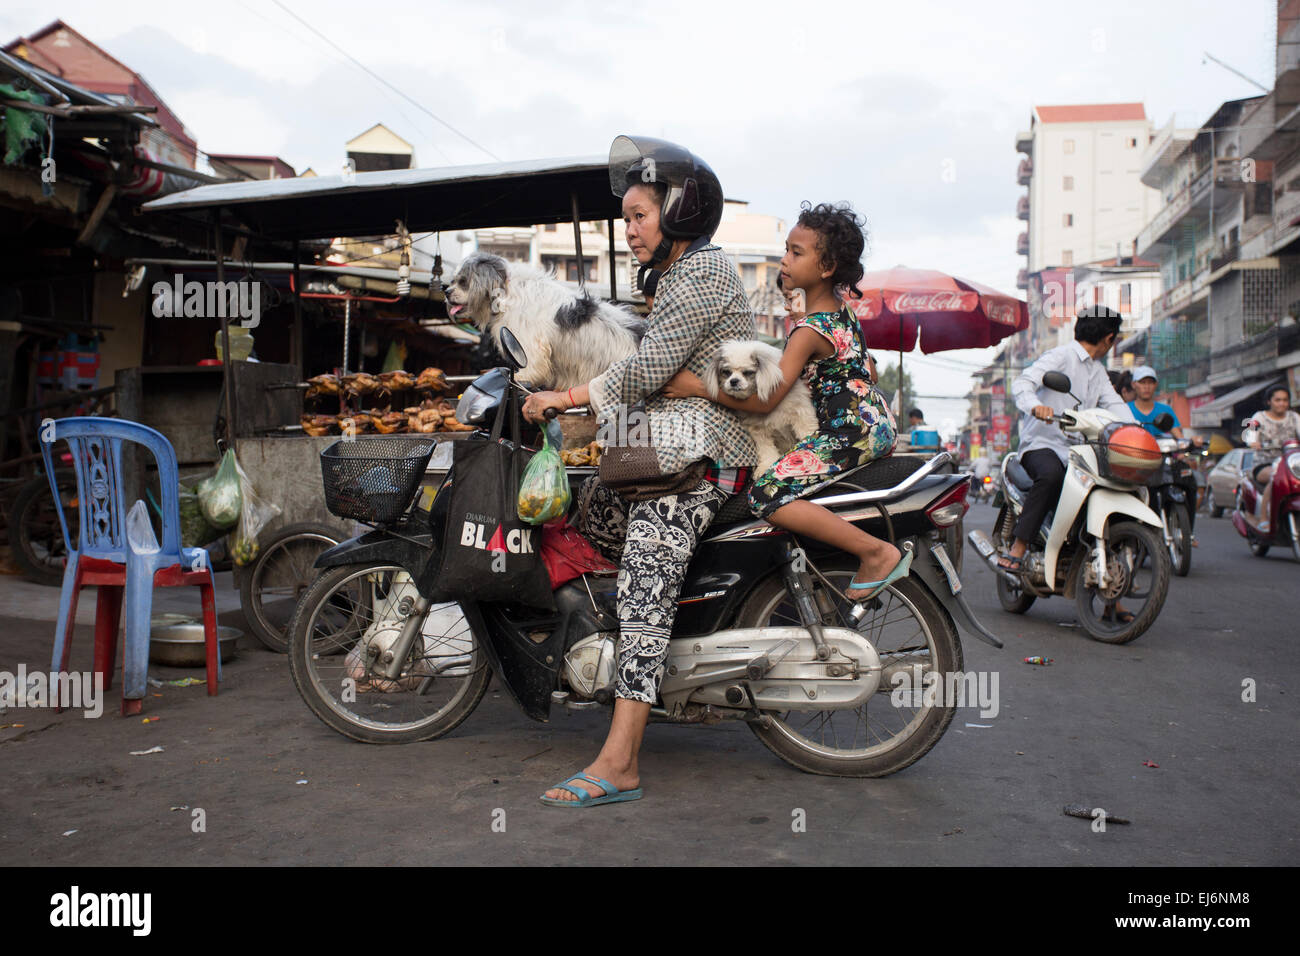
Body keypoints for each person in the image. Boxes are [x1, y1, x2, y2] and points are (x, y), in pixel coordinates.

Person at [521, 135, 757, 807]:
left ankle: (620, 760)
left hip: (702, 459)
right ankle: (659, 665)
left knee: (643, 590)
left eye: (638, 216)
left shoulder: (703, 272)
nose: (629, 232)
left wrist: (564, 398)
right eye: (625, 218)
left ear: (680, 211)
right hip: (672, 447)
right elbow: (647, 379)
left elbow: (648, 372)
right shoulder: (680, 277)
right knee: (590, 509)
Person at [663, 201, 904, 600]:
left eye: (796, 252)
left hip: (850, 433)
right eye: (786, 249)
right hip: (873, 423)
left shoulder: (809, 329)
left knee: (766, 494)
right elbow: (867, 373)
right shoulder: (844, 316)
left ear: (826, 268)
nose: (784, 259)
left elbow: (764, 402)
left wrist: (695, 386)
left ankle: (875, 552)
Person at [997, 306, 1135, 590]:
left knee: (1106, 487)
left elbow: (1116, 405)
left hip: (1080, 452)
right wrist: (1035, 406)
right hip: (1043, 444)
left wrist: (1135, 431)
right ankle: (1019, 547)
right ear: (1109, 339)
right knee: (1051, 476)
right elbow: (1023, 383)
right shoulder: (1061, 356)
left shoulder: (1098, 372)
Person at [1244, 385, 1300, 533]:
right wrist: (1253, 442)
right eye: (1277, 400)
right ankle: (1264, 518)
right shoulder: (1258, 417)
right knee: (1276, 477)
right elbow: (1250, 435)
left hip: (1292, 463)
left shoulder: (1295, 417)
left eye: (1285, 400)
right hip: (1264, 464)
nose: (1282, 403)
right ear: (1269, 402)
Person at [1127, 366, 1198, 442]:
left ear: (1156, 384)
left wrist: (1189, 442)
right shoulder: (1125, 409)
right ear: (1133, 384)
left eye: (1150, 382)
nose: (1146, 387)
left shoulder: (1166, 410)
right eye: (1142, 382)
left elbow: (1179, 437)